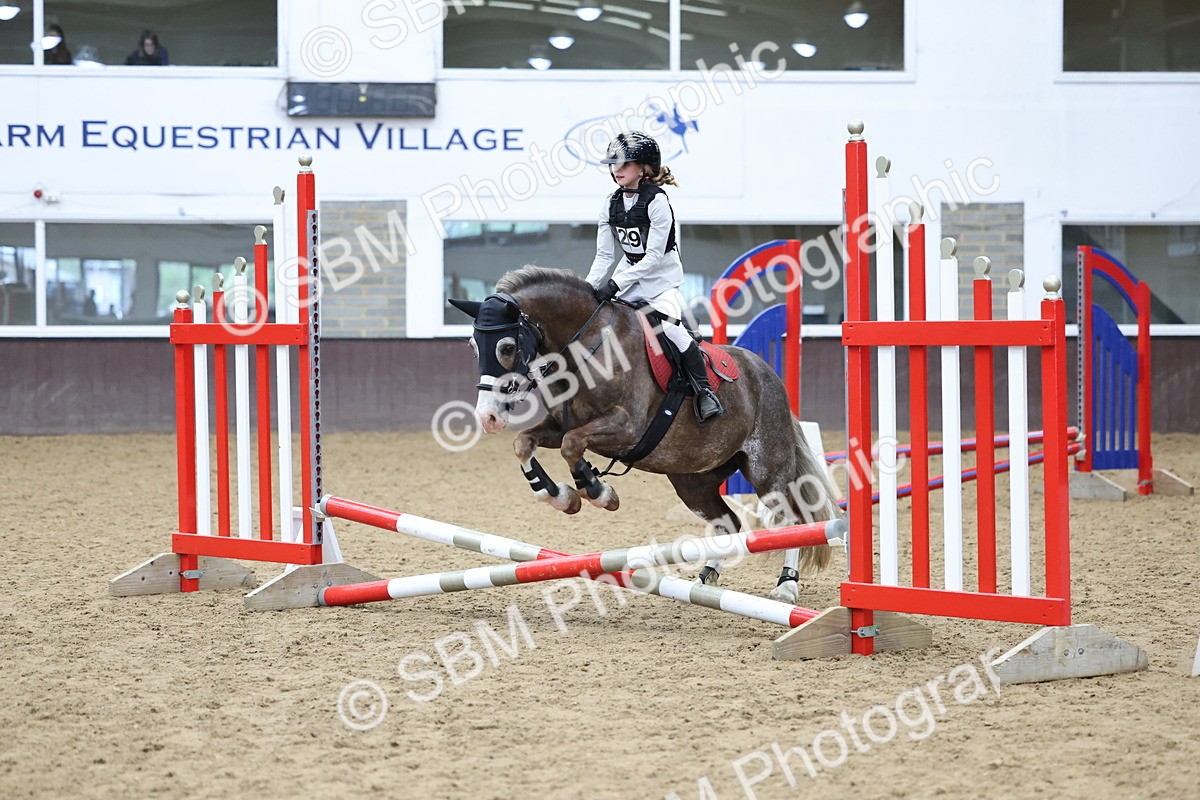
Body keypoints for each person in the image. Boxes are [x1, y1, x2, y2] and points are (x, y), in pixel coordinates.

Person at [585, 131, 724, 422]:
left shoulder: (657, 202)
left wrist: (615, 284)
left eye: (625, 163)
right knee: (597, 321)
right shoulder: (610, 204)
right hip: (629, 273)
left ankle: (704, 391)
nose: (617, 169)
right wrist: (588, 287)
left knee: (672, 330)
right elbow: (604, 256)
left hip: (661, 280)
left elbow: (653, 258)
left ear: (644, 168)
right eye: (614, 164)